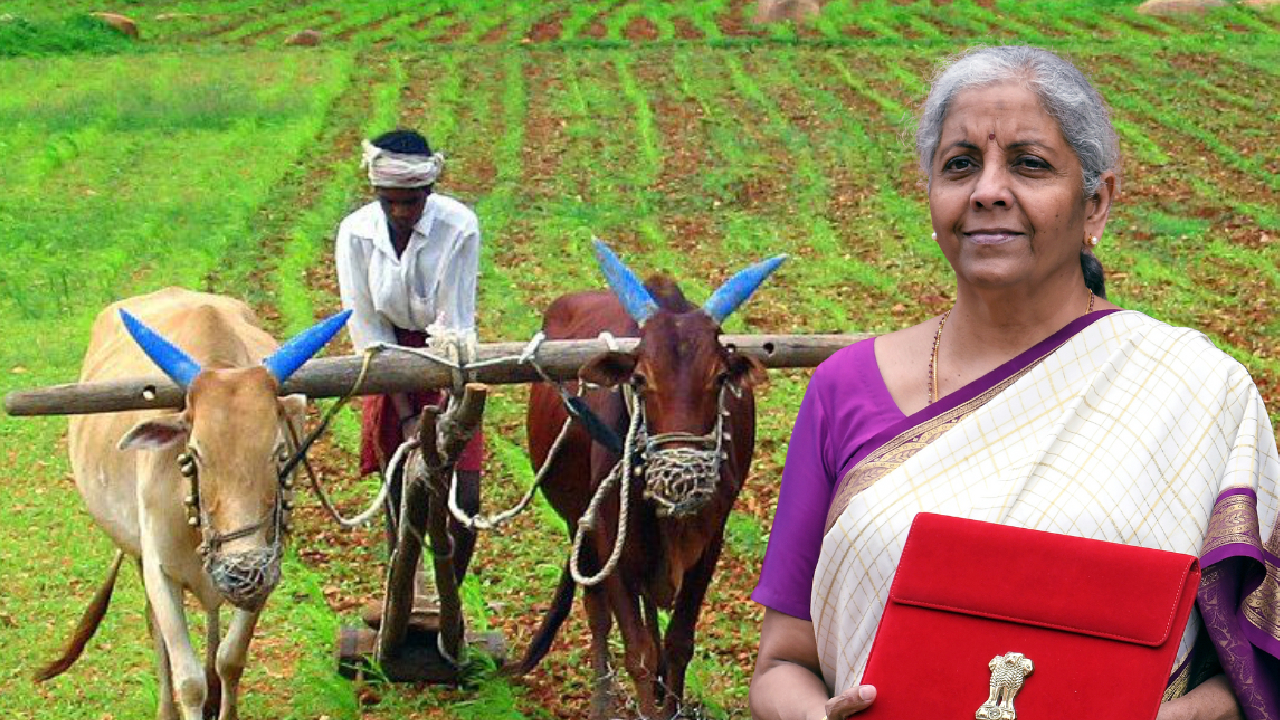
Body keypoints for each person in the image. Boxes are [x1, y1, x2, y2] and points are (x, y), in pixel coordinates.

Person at [749, 46, 1279, 720]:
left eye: (1029, 164)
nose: (988, 190)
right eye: (960, 165)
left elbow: (1257, 658)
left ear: (1097, 203)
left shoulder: (1200, 392)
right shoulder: (843, 389)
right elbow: (783, 661)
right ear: (933, 193)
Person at [335, 128, 484, 583]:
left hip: (447, 359)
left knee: (465, 495)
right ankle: (403, 589)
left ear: (429, 190)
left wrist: (446, 419)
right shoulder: (356, 233)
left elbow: (454, 323)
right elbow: (367, 328)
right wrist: (403, 415)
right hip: (387, 361)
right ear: (377, 193)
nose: (400, 212)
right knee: (401, 486)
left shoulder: (459, 226)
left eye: (411, 201)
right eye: (390, 201)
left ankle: (448, 598)